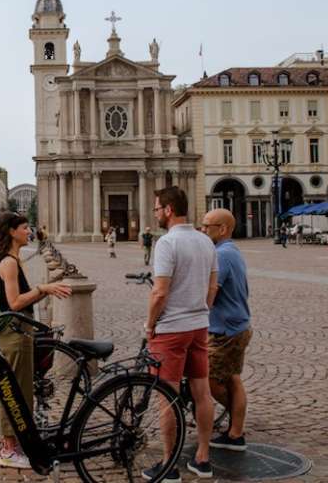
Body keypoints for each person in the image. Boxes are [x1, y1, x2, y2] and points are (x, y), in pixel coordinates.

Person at [142, 186, 218, 480]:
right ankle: (202, 458)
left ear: (169, 210)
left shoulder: (167, 243)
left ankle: (169, 464)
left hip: (171, 329)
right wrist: (201, 310)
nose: (157, 214)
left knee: (167, 396)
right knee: (202, 393)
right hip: (199, 326)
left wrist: (150, 324)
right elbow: (213, 287)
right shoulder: (205, 241)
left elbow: (159, 292)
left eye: (157, 209)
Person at [0, 212, 71, 469]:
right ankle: (9, 449)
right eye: (25, 228)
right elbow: (14, 303)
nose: (30, 231)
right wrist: (43, 289)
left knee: (23, 391)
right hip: (14, 335)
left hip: (20, 332)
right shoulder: (10, 263)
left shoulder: (15, 259)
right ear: (12, 232)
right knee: (14, 393)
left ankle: (17, 441)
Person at [202, 208, 252, 452]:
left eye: (207, 226)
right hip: (235, 324)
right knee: (232, 377)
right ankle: (236, 430)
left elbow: (211, 292)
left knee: (210, 379)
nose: (203, 230)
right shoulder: (231, 251)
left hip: (226, 330)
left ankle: (237, 429)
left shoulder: (222, 255)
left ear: (222, 229)